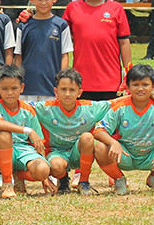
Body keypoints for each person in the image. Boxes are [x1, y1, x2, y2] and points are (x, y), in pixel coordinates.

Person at [93, 64, 154, 195]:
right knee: (100, 148)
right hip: (125, 155)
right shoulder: (120, 108)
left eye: (145, 84)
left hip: (152, 155)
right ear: (128, 87)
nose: (140, 89)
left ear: (153, 86)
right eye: (135, 84)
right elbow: (98, 130)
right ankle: (119, 179)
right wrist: (113, 143)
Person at [32, 68, 112, 196]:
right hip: (56, 152)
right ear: (56, 91)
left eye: (72, 90)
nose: (67, 94)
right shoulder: (45, 108)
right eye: (63, 89)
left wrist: (142, 95)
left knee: (87, 137)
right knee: (55, 166)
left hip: (78, 151)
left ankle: (84, 181)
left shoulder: (89, 108)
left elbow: (115, 103)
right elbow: (20, 105)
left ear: (79, 93)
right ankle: (63, 179)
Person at [63, 0, 132, 101]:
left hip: (110, 82)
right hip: (81, 82)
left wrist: (129, 73)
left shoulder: (116, 9)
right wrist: (30, 16)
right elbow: (57, 35)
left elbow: (124, 43)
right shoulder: (72, 8)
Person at [0, 65, 53, 199]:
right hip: (0, 152)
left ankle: (18, 176)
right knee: (5, 134)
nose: (9, 93)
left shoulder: (28, 109)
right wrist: (28, 130)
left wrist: (44, 178)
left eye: (14, 88)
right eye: (4, 89)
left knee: (43, 169)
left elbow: (39, 143)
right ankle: (7, 183)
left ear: (22, 88)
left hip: (25, 151)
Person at [14, 0, 73, 104]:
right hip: (27, 89)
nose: (43, 3)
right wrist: (17, 83)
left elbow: (65, 56)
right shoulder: (23, 26)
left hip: (51, 89)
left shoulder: (61, 25)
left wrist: (62, 84)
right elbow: (18, 57)